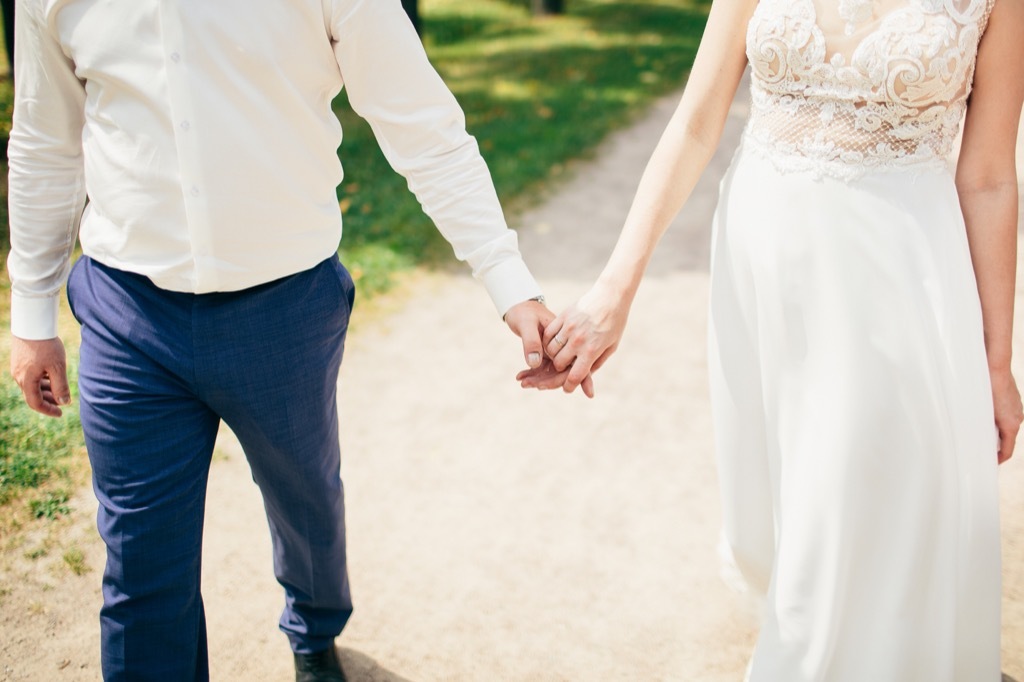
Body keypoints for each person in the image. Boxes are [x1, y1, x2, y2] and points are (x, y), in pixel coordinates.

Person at [5, 1, 593, 680]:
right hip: (128, 314)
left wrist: (508, 280)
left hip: (284, 306)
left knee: (304, 498)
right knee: (139, 567)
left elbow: (424, 128)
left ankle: (314, 629)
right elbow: (45, 141)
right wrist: (32, 313)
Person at [520, 0, 1024, 678]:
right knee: (773, 515)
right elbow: (697, 125)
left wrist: (995, 361)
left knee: (851, 505)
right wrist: (614, 289)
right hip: (762, 277)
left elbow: (989, 177)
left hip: (899, 280)